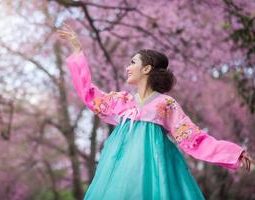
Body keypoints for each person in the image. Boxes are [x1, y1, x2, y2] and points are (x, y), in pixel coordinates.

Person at [56, 22, 253, 200]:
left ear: (147, 68)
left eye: (133, 62)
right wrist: (77, 50)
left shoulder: (165, 104)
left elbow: (193, 138)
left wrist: (233, 154)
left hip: (155, 172)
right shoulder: (122, 101)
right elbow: (90, 95)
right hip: (118, 171)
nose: (127, 67)